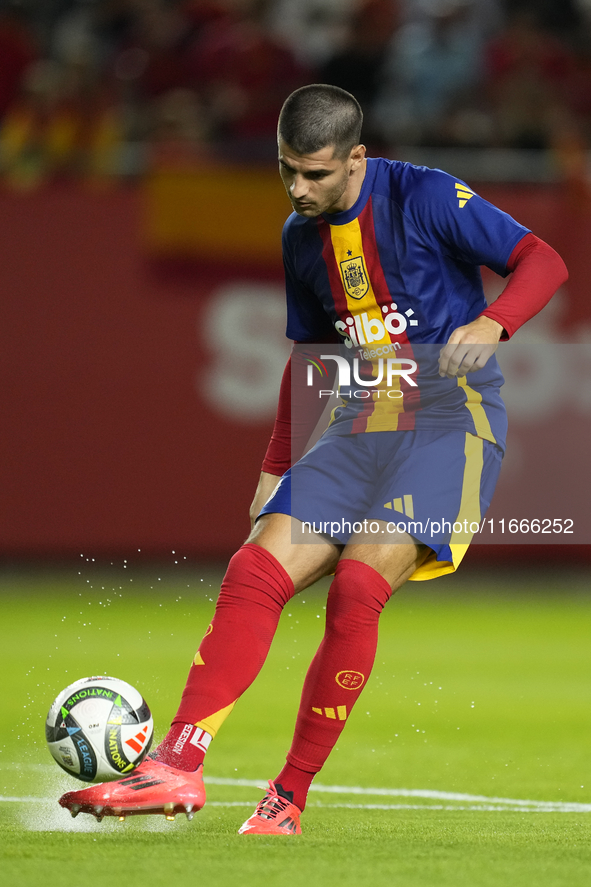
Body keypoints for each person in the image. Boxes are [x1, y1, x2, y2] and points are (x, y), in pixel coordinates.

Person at [59, 84, 568, 834]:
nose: (298, 188)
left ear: (356, 159)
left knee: (357, 585)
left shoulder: (425, 196)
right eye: (286, 170)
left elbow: (542, 260)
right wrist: (274, 464)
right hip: (357, 423)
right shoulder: (301, 238)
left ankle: (287, 795)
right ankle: (176, 763)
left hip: (448, 426)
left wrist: (495, 322)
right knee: (252, 569)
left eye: (316, 173)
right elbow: (309, 356)